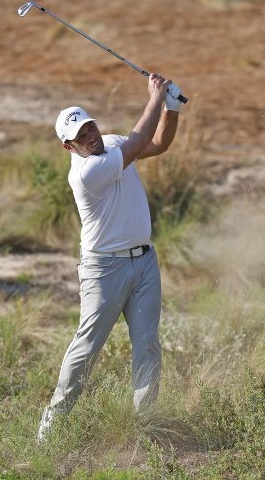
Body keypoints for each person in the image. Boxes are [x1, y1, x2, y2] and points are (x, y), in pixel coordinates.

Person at [37, 73, 184, 443]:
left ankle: (145, 425)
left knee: (147, 343)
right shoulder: (87, 173)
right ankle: (51, 427)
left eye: (90, 127)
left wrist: (171, 107)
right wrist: (154, 96)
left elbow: (157, 144)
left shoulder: (113, 145)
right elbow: (136, 142)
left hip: (145, 263)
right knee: (86, 348)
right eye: (80, 137)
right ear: (69, 148)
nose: (90, 137)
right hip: (104, 269)